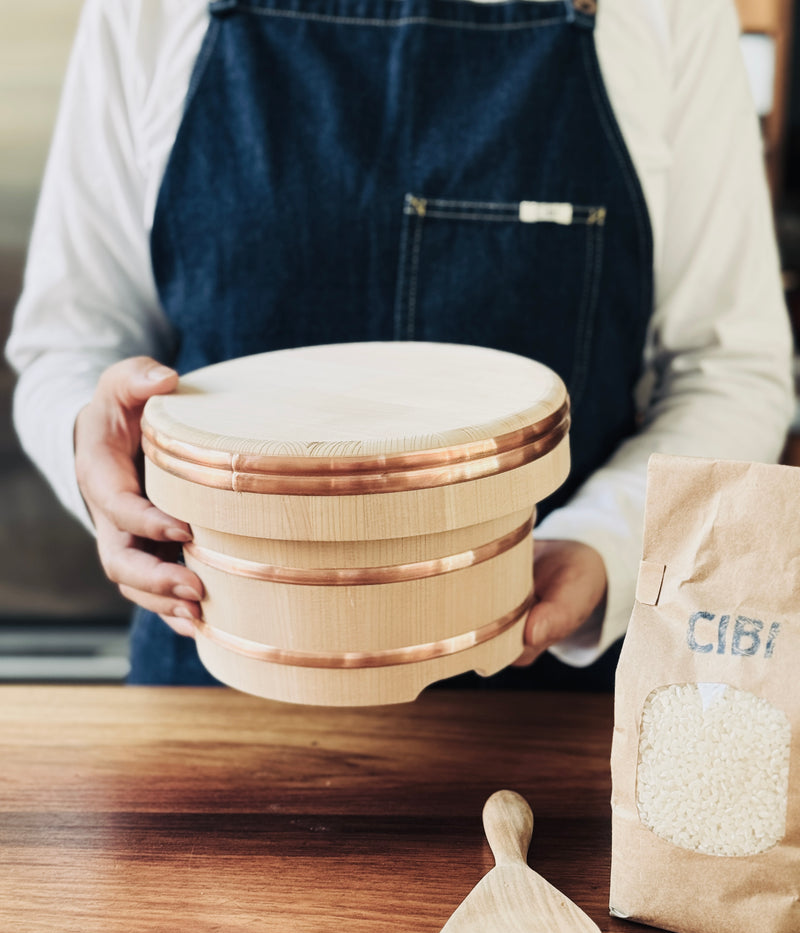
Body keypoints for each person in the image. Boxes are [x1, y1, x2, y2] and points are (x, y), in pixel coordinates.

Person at [6, 0, 795, 688]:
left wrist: (604, 547)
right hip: (217, 678)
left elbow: (731, 369)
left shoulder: (666, 11)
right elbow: (68, 345)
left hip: (545, 686)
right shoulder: (145, 10)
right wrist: (94, 453)